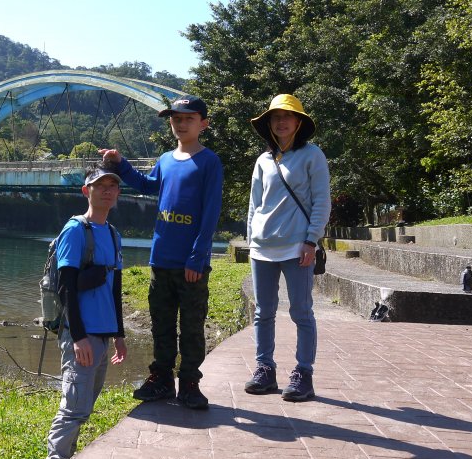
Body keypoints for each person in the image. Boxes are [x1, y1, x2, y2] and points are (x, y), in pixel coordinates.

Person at [100, 94, 223, 410]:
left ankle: (190, 383)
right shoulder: (166, 160)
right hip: (161, 258)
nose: (181, 124)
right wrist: (120, 163)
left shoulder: (209, 162)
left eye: (188, 119)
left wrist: (197, 256)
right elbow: (146, 184)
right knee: (161, 323)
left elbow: (210, 213)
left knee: (192, 326)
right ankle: (162, 380)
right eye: (176, 119)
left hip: (190, 263)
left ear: (203, 124)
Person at [244, 94, 331, 402]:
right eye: (275, 117)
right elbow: (255, 204)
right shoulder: (263, 160)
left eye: (287, 116)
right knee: (263, 311)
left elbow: (321, 200)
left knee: (301, 312)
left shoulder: (312, 155)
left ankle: (303, 373)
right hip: (262, 248)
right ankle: (264, 369)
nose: (280, 121)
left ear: (298, 123)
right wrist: (250, 238)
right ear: (269, 124)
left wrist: (311, 240)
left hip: (297, 247)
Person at [45, 163, 127, 459]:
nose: (107, 190)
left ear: (118, 193)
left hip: (103, 335)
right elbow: (66, 286)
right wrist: (77, 337)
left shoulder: (114, 234)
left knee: (84, 408)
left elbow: (115, 287)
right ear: (86, 191)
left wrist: (119, 335)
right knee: (73, 410)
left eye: (112, 185)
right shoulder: (76, 230)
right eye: (100, 185)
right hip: (82, 335)